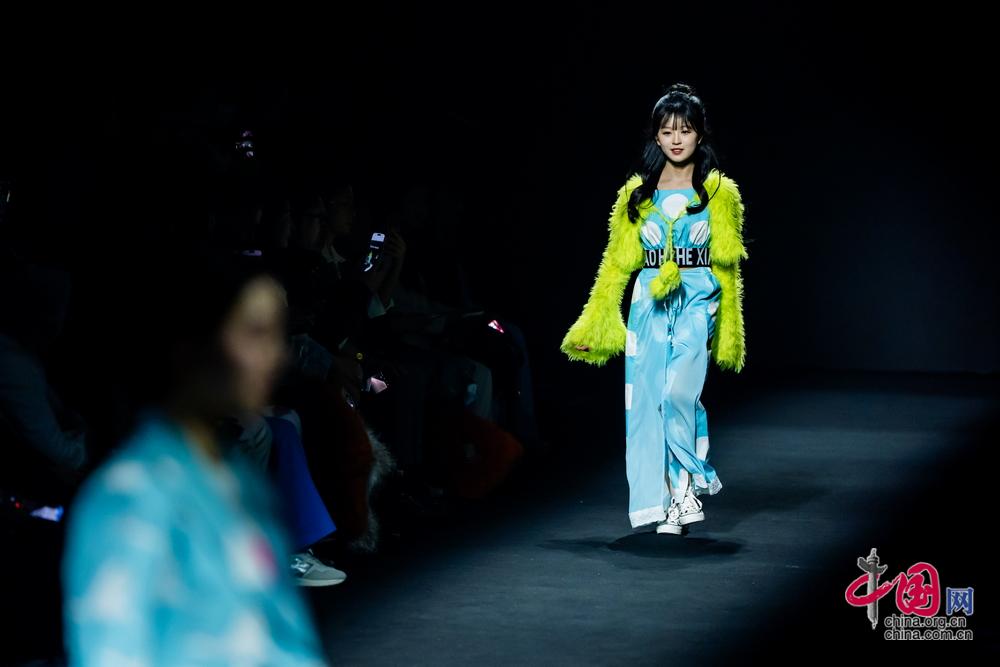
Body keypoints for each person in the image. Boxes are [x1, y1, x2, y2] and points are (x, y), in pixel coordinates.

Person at [61, 248, 329, 666]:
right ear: (192, 345)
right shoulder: (130, 495)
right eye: (255, 333)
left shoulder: (240, 478)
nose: (278, 355)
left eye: (277, 336)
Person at [560, 82, 748, 535]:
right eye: (667, 131)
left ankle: (691, 483)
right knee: (645, 402)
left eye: (685, 129)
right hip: (648, 303)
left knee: (678, 394)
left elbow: (728, 268)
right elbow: (615, 263)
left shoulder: (719, 192)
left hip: (698, 299)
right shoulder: (636, 194)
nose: (676, 139)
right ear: (656, 136)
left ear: (700, 133)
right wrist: (595, 321)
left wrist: (729, 331)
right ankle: (672, 500)